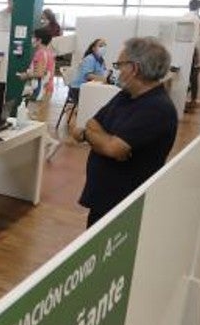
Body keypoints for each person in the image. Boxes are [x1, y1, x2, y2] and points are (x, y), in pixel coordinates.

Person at [70, 37, 178, 227]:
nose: (117, 71)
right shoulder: (126, 95)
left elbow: (113, 149)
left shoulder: (157, 108)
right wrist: (106, 140)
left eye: (120, 65)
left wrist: (86, 136)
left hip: (124, 207)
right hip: (105, 200)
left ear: (134, 68)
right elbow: (93, 123)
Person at [20, 27, 61, 158]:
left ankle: (50, 142)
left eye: (33, 37)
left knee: (30, 119)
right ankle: (46, 143)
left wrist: (25, 75)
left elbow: (39, 72)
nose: (31, 39)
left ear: (39, 40)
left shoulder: (40, 53)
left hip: (40, 91)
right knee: (35, 119)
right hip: (46, 90)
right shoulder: (49, 53)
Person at [67, 38, 109, 130]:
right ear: (93, 48)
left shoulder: (101, 60)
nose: (103, 48)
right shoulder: (90, 58)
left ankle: (96, 126)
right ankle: (82, 126)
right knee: (97, 103)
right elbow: (88, 76)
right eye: (101, 45)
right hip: (78, 89)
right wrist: (105, 79)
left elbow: (102, 74)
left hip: (91, 88)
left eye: (104, 46)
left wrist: (107, 78)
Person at [182, 0, 200, 110]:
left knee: (188, 77)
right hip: (194, 51)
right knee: (193, 78)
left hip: (187, 51)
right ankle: (192, 100)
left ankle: (187, 99)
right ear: (199, 6)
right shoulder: (196, 18)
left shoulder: (185, 16)